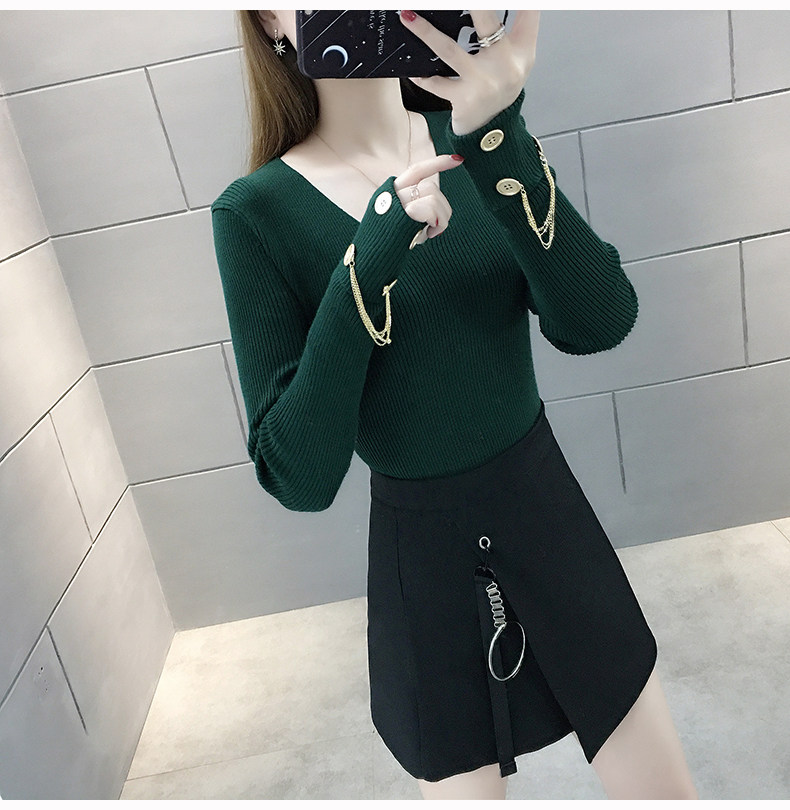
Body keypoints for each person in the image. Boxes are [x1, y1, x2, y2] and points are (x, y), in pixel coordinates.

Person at [210, 9, 699, 801]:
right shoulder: (255, 213)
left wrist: (502, 143)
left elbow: (601, 320)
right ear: (268, 21)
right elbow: (298, 475)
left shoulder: (473, 133)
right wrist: (367, 263)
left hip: (551, 521)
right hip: (423, 569)